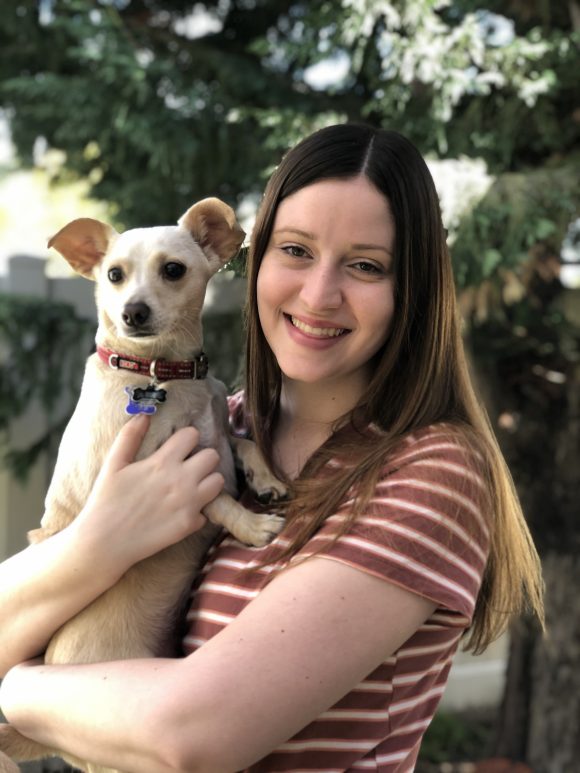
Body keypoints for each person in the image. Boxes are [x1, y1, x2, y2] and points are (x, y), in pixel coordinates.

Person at [0, 123, 544, 772]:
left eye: (366, 265)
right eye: (295, 250)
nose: (319, 294)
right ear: (254, 260)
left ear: (413, 291)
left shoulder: (432, 473)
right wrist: (99, 540)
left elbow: (195, 734)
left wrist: (16, 691)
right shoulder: (219, 427)